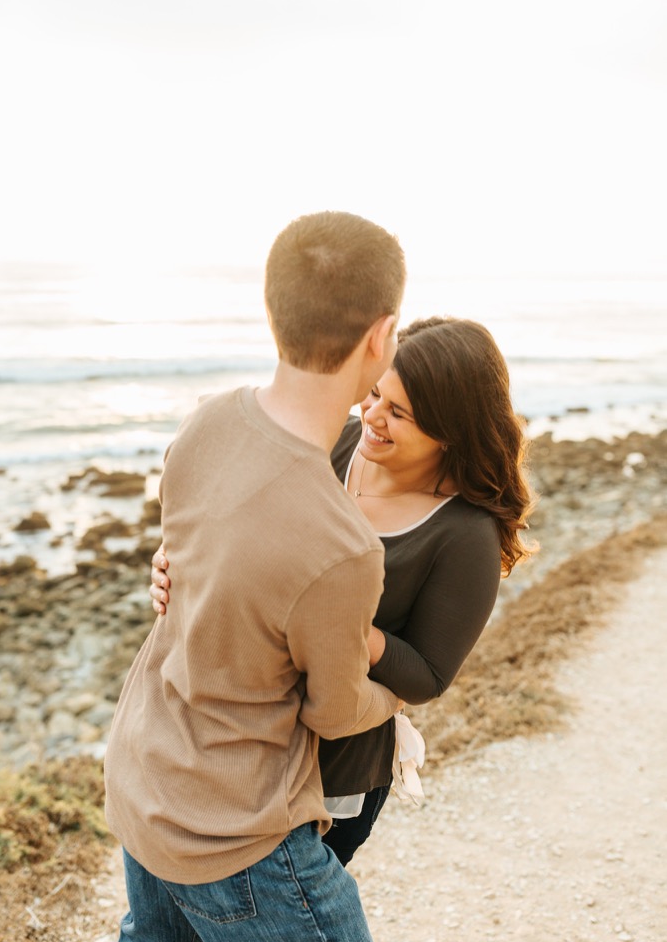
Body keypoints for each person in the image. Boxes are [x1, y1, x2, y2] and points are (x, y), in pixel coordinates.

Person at [99, 211, 407, 942]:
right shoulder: (343, 546)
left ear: (274, 310)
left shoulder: (206, 424)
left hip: (147, 772)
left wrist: (167, 574)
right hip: (233, 831)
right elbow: (335, 713)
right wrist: (402, 688)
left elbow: (199, 571)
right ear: (382, 336)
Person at [149, 315, 535, 864]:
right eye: (373, 393)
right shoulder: (330, 442)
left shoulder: (464, 533)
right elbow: (237, 539)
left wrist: (344, 626)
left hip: (333, 771)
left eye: (397, 412)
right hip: (235, 742)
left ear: (449, 429)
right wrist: (174, 564)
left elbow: (427, 675)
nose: (371, 416)